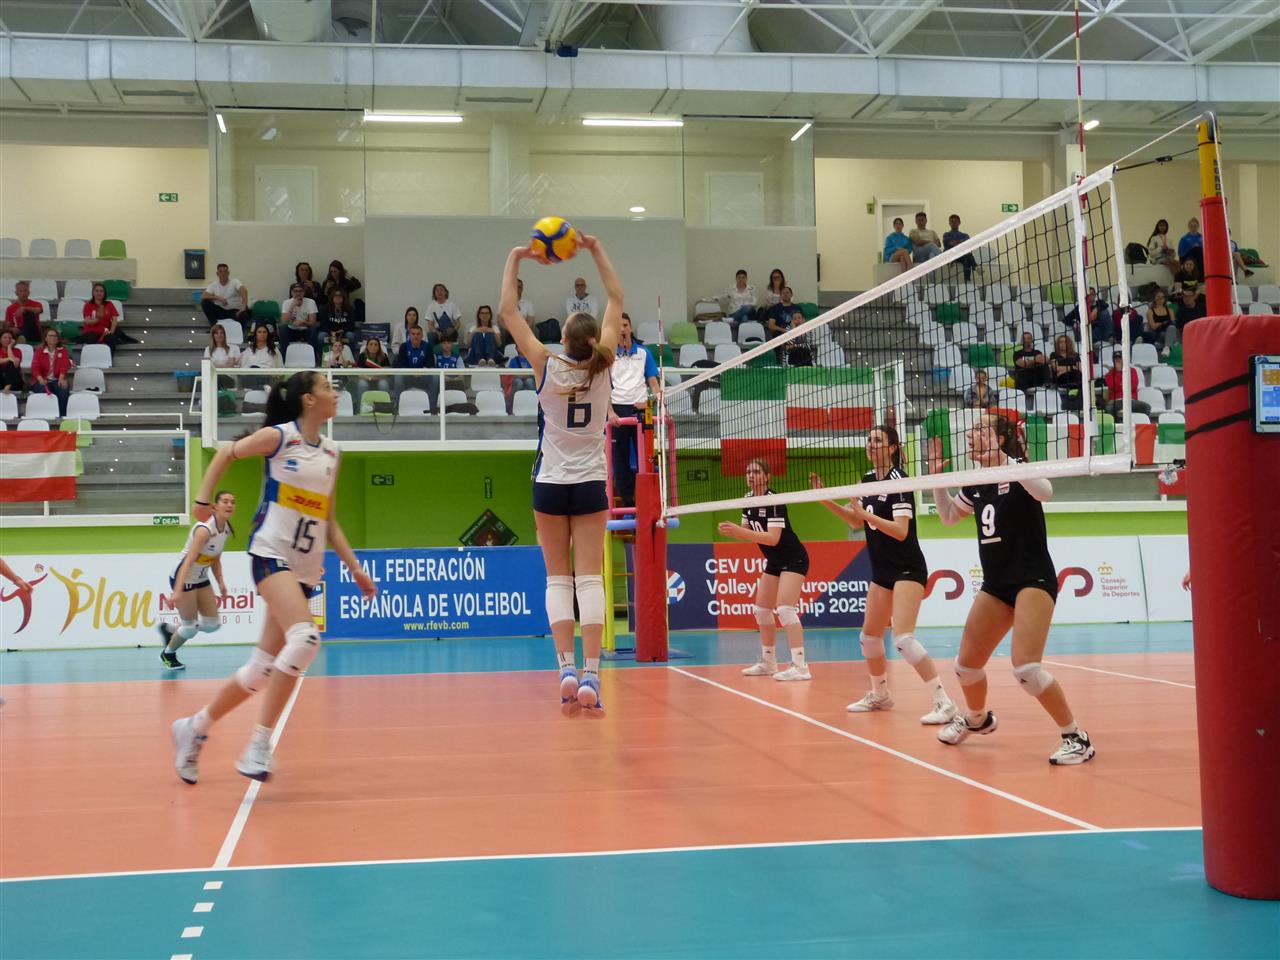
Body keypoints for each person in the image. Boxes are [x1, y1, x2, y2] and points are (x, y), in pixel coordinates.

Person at [170, 371, 377, 784]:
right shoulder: (280, 438)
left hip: (305, 568)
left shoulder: (333, 453)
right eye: (326, 387)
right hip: (270, 553)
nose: (335, 392)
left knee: (259, 671)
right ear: (308, 399)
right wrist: (202, 501)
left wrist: (355, 567)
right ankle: (259, 745)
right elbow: (226, 453)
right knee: (306, 638)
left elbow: (328, 519)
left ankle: (193, 728)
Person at [498, 234, 623, 713]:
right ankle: (591, 676)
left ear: (564, 339)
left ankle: (565, 669)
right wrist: (595, 248)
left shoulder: (546, 365)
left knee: (558, 579)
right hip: (590, 482)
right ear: (592, 340)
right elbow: (616, 298)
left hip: (550, 482)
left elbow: (508, 312)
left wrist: (516, 255)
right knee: (589, 579)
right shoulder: (605, 363)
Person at [927, 416, 1095, 765]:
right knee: (965, 667)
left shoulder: (1021, 471)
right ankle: (977, 719)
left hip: (1033, 580)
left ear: (1001, 439)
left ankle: (1076, 737)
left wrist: (1009, 462)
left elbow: (1045, 492)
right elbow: (948, 517)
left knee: (1026, 669)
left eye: (981, 429)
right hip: (996, 585)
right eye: (972, 429)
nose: (972, 433)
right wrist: (936, 481)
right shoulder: (977, 482)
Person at [810, 428, 956, 721]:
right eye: (869, 440)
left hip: (907, 568)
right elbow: (855, 521)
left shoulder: (899, 481)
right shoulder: (867, 480)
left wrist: (866, 515)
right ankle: (880, 695)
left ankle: (944, 702)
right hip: (883, 570)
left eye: (877, 440)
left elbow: (900, 531)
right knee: (869, 637)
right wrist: (824, 499)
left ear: (892, 448)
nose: (871, 444)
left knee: (903, 639)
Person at [720, 459, 811, 682]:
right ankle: (769, 662)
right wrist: (733, 531)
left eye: (756, 472)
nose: (751, 475)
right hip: (774, 561)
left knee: (785, 609)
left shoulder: (774, 501)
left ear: (768, 476)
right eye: (748, 472)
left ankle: (801, 666)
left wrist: (740, 532)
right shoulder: (748, 499)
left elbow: (772, 538)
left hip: (794, 558)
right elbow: (746, 530)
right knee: (761, 610)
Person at [158, 491, 235, 670]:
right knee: (190, 628)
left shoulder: (226, 529)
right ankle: (168, 654)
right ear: (215, 507)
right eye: (225, 501)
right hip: (183, 576)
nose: (229, 505)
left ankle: (171, 629)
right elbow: (187, 563)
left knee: (212, 625)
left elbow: (215, 558)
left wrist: (221, 582)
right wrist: (177, 592)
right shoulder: (204, 531)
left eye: (232, 502)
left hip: (201, 577)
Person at [609, 313, 660, 507]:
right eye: (618, 326)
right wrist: (610, 412)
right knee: (620, 460)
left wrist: (655, 404)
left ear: (630, 328)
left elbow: (653, 383)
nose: (622, 329)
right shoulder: (608, 354)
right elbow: (603, 386)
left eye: (625, 325)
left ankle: (647, 499)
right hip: (617, 411)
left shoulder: (644, 353)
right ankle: (628, 501)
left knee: (645, 458)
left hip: (640, 410)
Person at [394, 324, 439, 412]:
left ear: (422, 336)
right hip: (407, 377)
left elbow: (430, 365)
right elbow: (400, 365)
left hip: (423, 377)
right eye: (413, 334)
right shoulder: (404, 346)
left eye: (418, 334)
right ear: (409, 335)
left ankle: (432, 409)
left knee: (435, 377)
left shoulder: (427, 347)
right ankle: (398, 408)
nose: (416, 336)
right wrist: (412, 373)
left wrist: (421, 373)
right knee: (398, 376)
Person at [30, 327, 74, 416]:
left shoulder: (63, 350)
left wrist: (61, 378)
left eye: (55, 336)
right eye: (50, 336)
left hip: (57, 379)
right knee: (43, 392)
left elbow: (64, 366)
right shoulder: (39, 351)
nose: (53, 338)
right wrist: (40, 379)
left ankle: (61, 416)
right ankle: (47, 415)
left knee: (63, 392)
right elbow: (35, 367)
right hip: (41, 379)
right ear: (45, 338)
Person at [78, 283, 125, 352]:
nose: (99, 293)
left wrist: (111, 331)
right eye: (97, 291)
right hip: (91, 331)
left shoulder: (109, 304)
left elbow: (114, 318)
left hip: (104, 331)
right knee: (91, 339)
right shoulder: (88, 305)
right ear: (93, 293)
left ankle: (109, 357)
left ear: (104, 293)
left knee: (111, 338)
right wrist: (98, 319)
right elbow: (87, 321)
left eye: (101, 291)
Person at [201, 263, 250, 329]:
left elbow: (244, 290)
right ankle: (214, 326)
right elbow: (204, 295)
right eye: (221, 271)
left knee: (244, 314)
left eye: (225, 271)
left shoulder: (235, 282)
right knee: (205, 302)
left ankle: (240, 332)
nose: (223, 273)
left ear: (228, 273)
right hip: (220, 311)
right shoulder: (213, 284)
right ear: (217, 274)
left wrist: (243, 307)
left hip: (234, 311)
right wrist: (218, 297)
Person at [278, 283, 321, 357]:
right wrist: (292, 306)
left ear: (304, 292)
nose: (298, 293)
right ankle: (284, 358)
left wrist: (302, 322)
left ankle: (313, 358)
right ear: (291, 292)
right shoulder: (286, 302)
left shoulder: (311, 302)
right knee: (283, 328)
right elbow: (284, 321)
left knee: (314, 329)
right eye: (295, 291)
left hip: (306, 330)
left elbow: (313, 323)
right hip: (292, 330)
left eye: (300, 291)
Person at [1103, 350, 1147, 419]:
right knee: (1109, 408)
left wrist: (1121, 383)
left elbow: (1132, 386)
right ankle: (1116, 424)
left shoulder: (1132, 371)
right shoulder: (1109, 374)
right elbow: (1114, 387)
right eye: (1116, 359)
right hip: (1116, 401)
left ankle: (1140, 424)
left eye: (1120, 359)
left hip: (1130, 400)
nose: (1118, 361)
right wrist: (1119, 373)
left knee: (1146, 407)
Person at [1138, 290, 1177, 356]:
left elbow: (1173, 323)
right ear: (1154, 298)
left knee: (1172, 328)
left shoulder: (1170, 310)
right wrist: (1163, 323)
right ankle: (1167, 347)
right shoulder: (1150, 312)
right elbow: (1153, 326)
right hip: (1158, 333)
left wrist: (1160, 323)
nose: (1160, 299)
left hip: (1169, 331)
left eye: (1162, 297)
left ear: (1165, 299)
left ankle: (1166, 347)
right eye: (1158, 297)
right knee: (1168, 331)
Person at [355, 336, 392, 404]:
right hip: (366, 379)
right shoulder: (362, 356)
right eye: (371, 344)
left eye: (376, 344)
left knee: (383, 384)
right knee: (362, 384)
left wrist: (375, 378)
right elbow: (359, 373)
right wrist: (370, 378)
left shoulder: (383, 356)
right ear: (367, 346)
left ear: (379, 347)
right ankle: (360, 407)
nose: (373, 346)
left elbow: (387, 372)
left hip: (380, 379)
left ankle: (385, 407)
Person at [942, 214, 976, 280]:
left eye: (955, 221)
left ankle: (967, 280)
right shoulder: (946, 234)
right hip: (950, 255)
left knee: (966, 257)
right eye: (952, 221)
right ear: (949, 223)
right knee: (967, 254)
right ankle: (975, 266)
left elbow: (967, 244)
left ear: (959, 222)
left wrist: (955, 242)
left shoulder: (965, 235)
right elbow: (949, 244)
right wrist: (961, 242)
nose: (954, 223)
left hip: (961, 255)